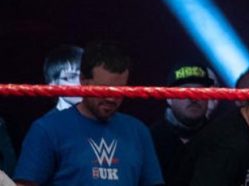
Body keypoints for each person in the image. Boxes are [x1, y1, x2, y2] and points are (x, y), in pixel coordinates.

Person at [14, 40, 163, 186]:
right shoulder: (47, 129)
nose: (111, 98)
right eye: (104, 89)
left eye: (120, 90)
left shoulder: (138, 131)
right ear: (83, 81)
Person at [149, 62, 217, 182]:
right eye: (186, 91)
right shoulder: (150, 139)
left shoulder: (220, 139)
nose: (194, 98)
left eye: (200, 91)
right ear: (169, 98)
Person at [42, 44, 83, 112]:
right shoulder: (49, 119)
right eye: (71, 77)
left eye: (85, 76)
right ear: (53, 85)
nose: (81, 83)